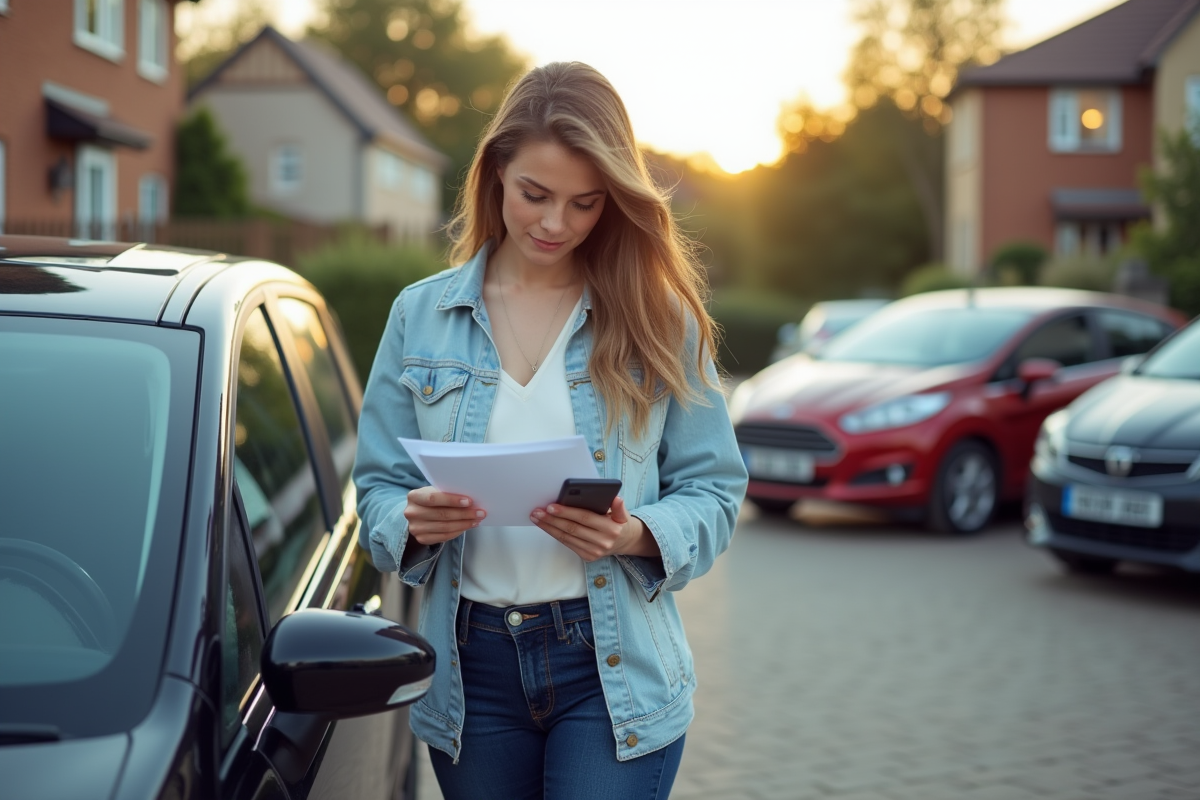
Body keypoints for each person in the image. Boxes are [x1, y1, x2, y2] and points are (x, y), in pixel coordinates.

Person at [353, 61, 748, 800]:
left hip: (611, 667)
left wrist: (636, 536)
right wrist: (408, 520)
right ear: (497, 171)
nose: (555, 223)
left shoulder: (659, 318)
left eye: (585, 203)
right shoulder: (420, 315)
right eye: (535, 194)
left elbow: (716, 489)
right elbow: (376, 483)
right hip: (473, 670)